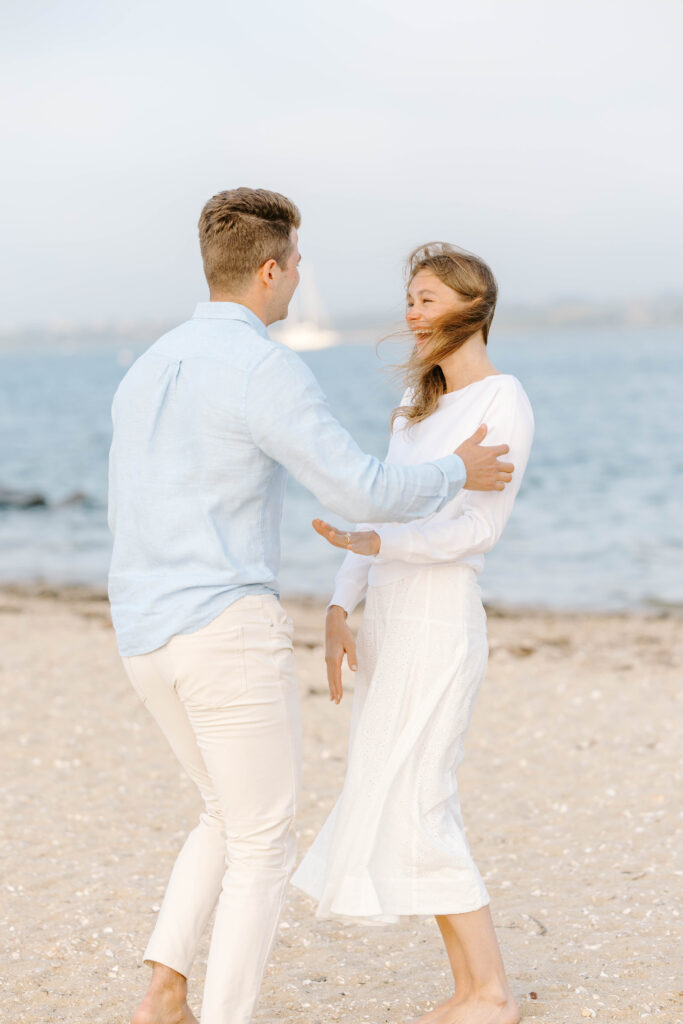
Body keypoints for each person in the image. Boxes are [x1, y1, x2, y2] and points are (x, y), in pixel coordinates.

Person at [107, 192, 515, 1024]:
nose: (298, 278)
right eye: (294, 264)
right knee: (263, 843)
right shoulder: (262, 366)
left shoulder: (149, 364)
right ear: (268, 269)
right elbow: (357, 488)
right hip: (222, 629)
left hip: (142, 633)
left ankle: (164, 993)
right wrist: (452, 473)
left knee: (225, 813)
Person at [292, 242, 535, 1024]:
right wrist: (339, 606)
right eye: (410, 297)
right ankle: (471, 988)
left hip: (438, 619)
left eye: (426, 297)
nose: (411, 312)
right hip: (390, 618)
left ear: (471, 305)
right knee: (400, 793)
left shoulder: (504, 402)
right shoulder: (415, 410)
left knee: (421, 791)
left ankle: (489, 993)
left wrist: (378, 546)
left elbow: (473, 531)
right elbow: (378, 511)